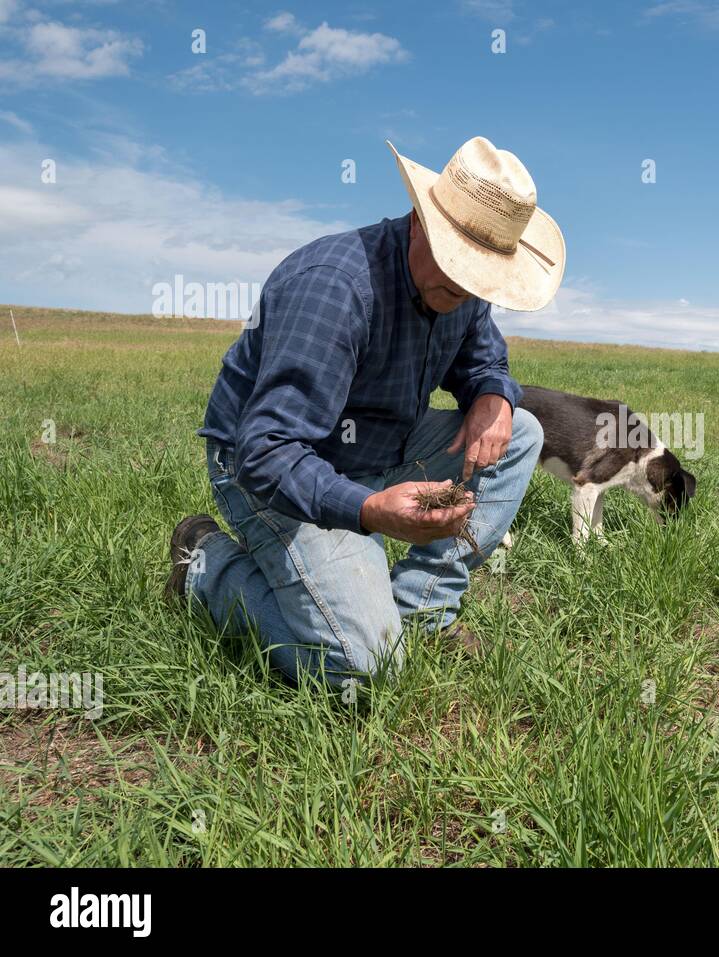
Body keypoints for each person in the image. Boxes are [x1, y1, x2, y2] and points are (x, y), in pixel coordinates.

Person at [165, 136, 565, 687]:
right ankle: (205, 566)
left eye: (481, 275)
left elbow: (483, 356)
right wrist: (371, 509)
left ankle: (421, 613)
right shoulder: (336, 289)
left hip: (384, 445)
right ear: (423, 222)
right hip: (274, 469)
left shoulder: (460, 290)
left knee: (520, 431)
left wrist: (493, 394)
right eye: (458, 263)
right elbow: (267, 452)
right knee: (363, 670)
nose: (467, 286)